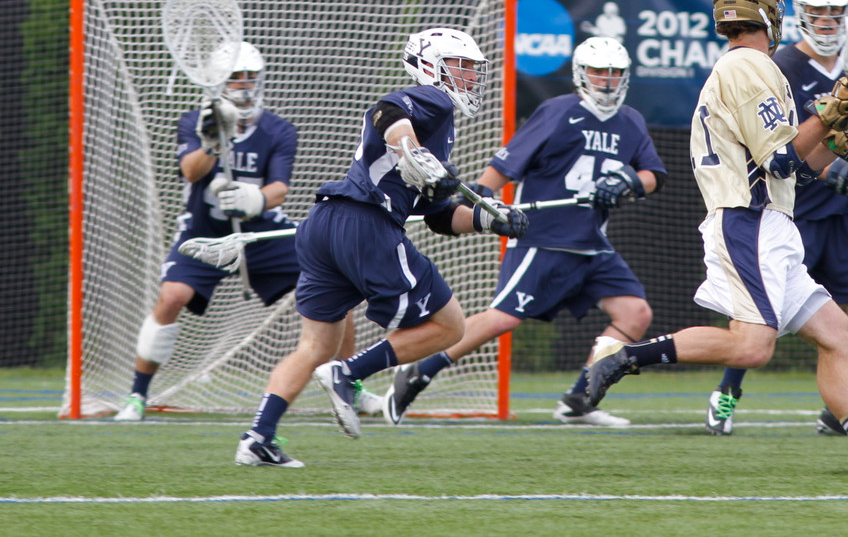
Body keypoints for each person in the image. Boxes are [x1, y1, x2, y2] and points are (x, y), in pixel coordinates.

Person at [585, 0, 848, 475]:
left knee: (837, 334)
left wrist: (838, 136)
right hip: (746, 217)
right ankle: (625, 357)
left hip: (771, 218)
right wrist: (829, 113)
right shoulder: (750, 66)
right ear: (770, 11)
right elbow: (782, 161)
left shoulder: (751, 66)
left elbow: (804, 168)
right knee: (752, 346)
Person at [234, 27, 529, 467]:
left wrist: (490, 219)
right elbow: (386, 110)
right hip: (364, 223)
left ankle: (258, 437)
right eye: (461, 66)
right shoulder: (434, 101)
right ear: (431, 66)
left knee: (315, 345)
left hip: (325, 225)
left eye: (472, 68)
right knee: (451, 326)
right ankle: (348, 373)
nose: (469, 77)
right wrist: (413, 151)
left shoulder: (440, 129)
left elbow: (438, 216)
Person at [382, 36, 667, 428]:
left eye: (615, 73)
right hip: (541, 236)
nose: (607, 81)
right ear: (581, 75)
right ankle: (420, 370)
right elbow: (506, 164)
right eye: (599, 72)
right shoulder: (558, 111)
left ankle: (580, 399)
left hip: (592, 242)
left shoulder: (631, 121)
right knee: (503, 317)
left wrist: (629, 181)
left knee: (634, 312)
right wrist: (479, 200)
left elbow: (654, 174)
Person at [113, 42, 381, 422]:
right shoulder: (194, 121)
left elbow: (279, 190)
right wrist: (212, 141)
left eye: (250, 77)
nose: (244, 86)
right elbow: (190, 171)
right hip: (205, 233)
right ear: (218, 82)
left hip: (263, 234)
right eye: (235, 78)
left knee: (336, 284)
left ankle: (349, 385)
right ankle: (137, 396)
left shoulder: (277, 130)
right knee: (172, 296)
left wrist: (253, 198)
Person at [704, 0, 848, 437]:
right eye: (819, 13)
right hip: (793, 204)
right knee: (758, 318)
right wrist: (842, 173)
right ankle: (728, 391)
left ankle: (844, 407)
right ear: (800, 15)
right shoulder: (782, 64)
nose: (828, 21)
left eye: (836, 13)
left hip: (841, 211)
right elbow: (779, 148)